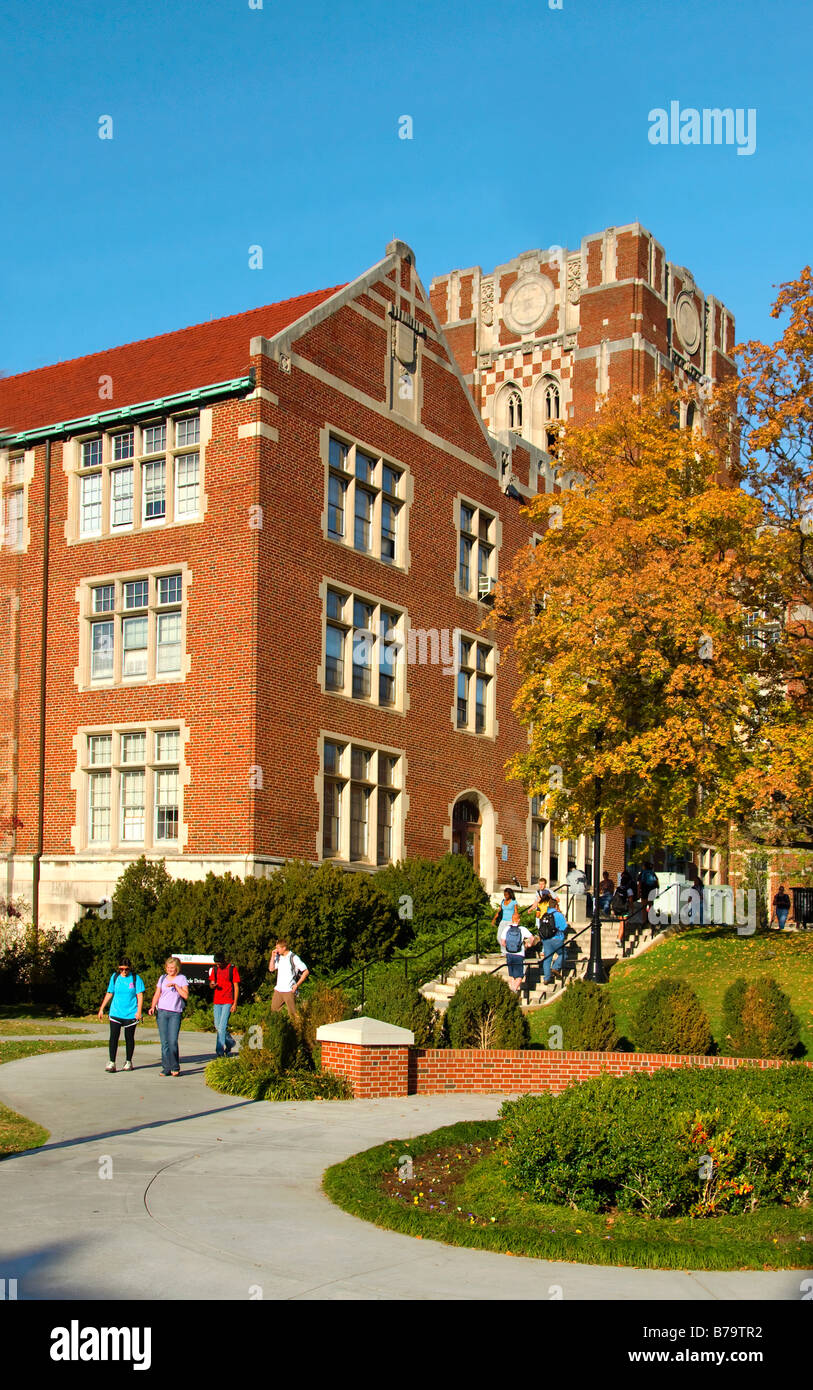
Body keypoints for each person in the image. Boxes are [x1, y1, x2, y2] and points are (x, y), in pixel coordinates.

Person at [98, 956, 144, 1073]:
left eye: (126, 969)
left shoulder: (136, 978)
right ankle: (112, 1062)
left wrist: (139, 1011)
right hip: (116, 1012)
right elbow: (109, 993)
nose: (124, 971)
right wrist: (102, 1008)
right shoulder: (115, 977)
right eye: (121, 969)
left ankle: (128, 1061)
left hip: (130, 1013)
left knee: (129, 1038)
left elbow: (140, 995)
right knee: (113, 1037)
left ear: (130, 968)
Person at [148, 956, 189, 1077]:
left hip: (175, 1013)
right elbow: (157, 993)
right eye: (169, 967)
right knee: (164, 1042)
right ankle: (166, 1067)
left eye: (173, 968)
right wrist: (152, 1006)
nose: (170, 970)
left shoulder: (182, 979)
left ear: (177, 968)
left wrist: (176, 986)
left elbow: (185, 995)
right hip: (162, 1012)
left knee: (172, 1041)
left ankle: (175, 1067)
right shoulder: (162, 978)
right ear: (166, 968)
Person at [497, 906, 539, 994]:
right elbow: (532, 938)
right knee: (520, 974)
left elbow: (502, 941)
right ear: (519, 920)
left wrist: (507, 947)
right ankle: (514, 989)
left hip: (509, 953)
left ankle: (512, 988)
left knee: (511, 974)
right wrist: (529, 944)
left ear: (512, 920)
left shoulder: (506, 929)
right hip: (519, 954)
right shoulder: (522, 929)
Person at [209, 951, 240, 1057]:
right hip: (217, 1001)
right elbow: (211, 984)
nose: (218, 965)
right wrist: (213, 985)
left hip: (228, 1001)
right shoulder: (215, 970)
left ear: (224, 961)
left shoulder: (232, 969)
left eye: (219, 963)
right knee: (217, 1026)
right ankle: (230, 1042)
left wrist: (235, 1003)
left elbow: (236, 987)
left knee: (222, 1027)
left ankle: (219, 1051)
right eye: (216, 963)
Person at [268, 939, 309, 1018]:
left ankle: (296, 1028)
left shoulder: (293, 957)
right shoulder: (278, 957)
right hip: (278, 990)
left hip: (289, 990)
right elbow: (271, 969)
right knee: (274, 1013)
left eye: (278, 948)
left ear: (284, 948)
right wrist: (272, 957)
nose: (276, 950)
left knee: (293, 1014)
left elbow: (306, 972)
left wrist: (297, 985)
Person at [538, 891, 568, 986]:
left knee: (547, 959)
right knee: (563, 954)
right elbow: (564, 927)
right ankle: (555, 967)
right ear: (556, 906)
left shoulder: (544, 915)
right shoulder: (558, 915)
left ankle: (546, 978)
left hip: (546, 940)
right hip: (557, 939)